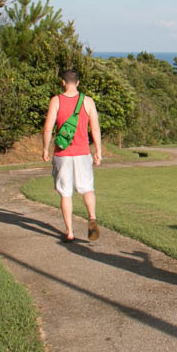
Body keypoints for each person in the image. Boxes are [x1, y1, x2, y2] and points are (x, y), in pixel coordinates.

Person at [42, 69, 103, 243]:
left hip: (63, 153)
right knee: (87, 189)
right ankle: (92, 217)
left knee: (66, 193)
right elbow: (95, 128)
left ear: (63, 82)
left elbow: (48, 128)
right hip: (83, 152)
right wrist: (98, 151)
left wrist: (45, 149)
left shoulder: (56, 101)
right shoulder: (88, 101)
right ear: (77, 82)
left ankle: (70, 232)